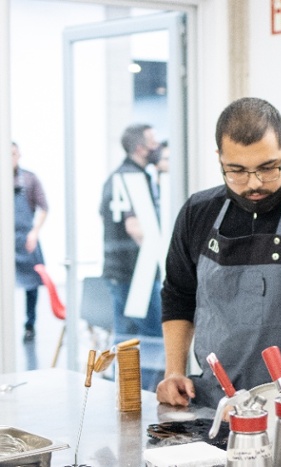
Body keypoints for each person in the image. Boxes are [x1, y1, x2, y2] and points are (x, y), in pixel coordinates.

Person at [156, 97, 281, 409]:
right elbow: (178, 295)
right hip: (214, 403)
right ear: (219, 160)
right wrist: (174, 372)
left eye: (268, 168)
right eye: (236, 171)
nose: (254, 183)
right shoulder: (198, 212)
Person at [100, 123, 164, 389]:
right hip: (136, 273)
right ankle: (144, 397)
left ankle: (125, 398)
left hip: (122, 272)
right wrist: (159, 259)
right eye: (152, 141)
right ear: (140, 148)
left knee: (126, 340)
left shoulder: (117, 177)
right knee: (149, 340)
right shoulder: (134, 178)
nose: (157, 146)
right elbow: (135, 227)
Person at [12, 142, 48, 343]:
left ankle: (29, 324)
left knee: (31, 285)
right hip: (5, 241)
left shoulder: (29, 179)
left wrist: (34, 232)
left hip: (26, 239)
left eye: (13, 153)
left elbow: (44, 207)